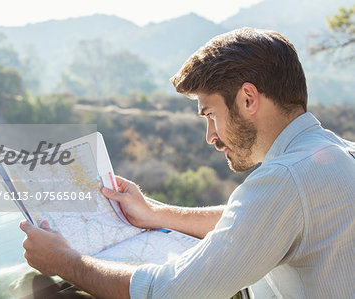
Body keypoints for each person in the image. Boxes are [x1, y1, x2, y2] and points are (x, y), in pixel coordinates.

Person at [19, 27, 355, 298]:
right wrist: (157, 214)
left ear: (248, 99)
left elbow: (168, 292)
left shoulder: (287, 179)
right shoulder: (336, 154)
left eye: (210, 115)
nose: (210, 136)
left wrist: (65, 261)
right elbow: (252, 219)